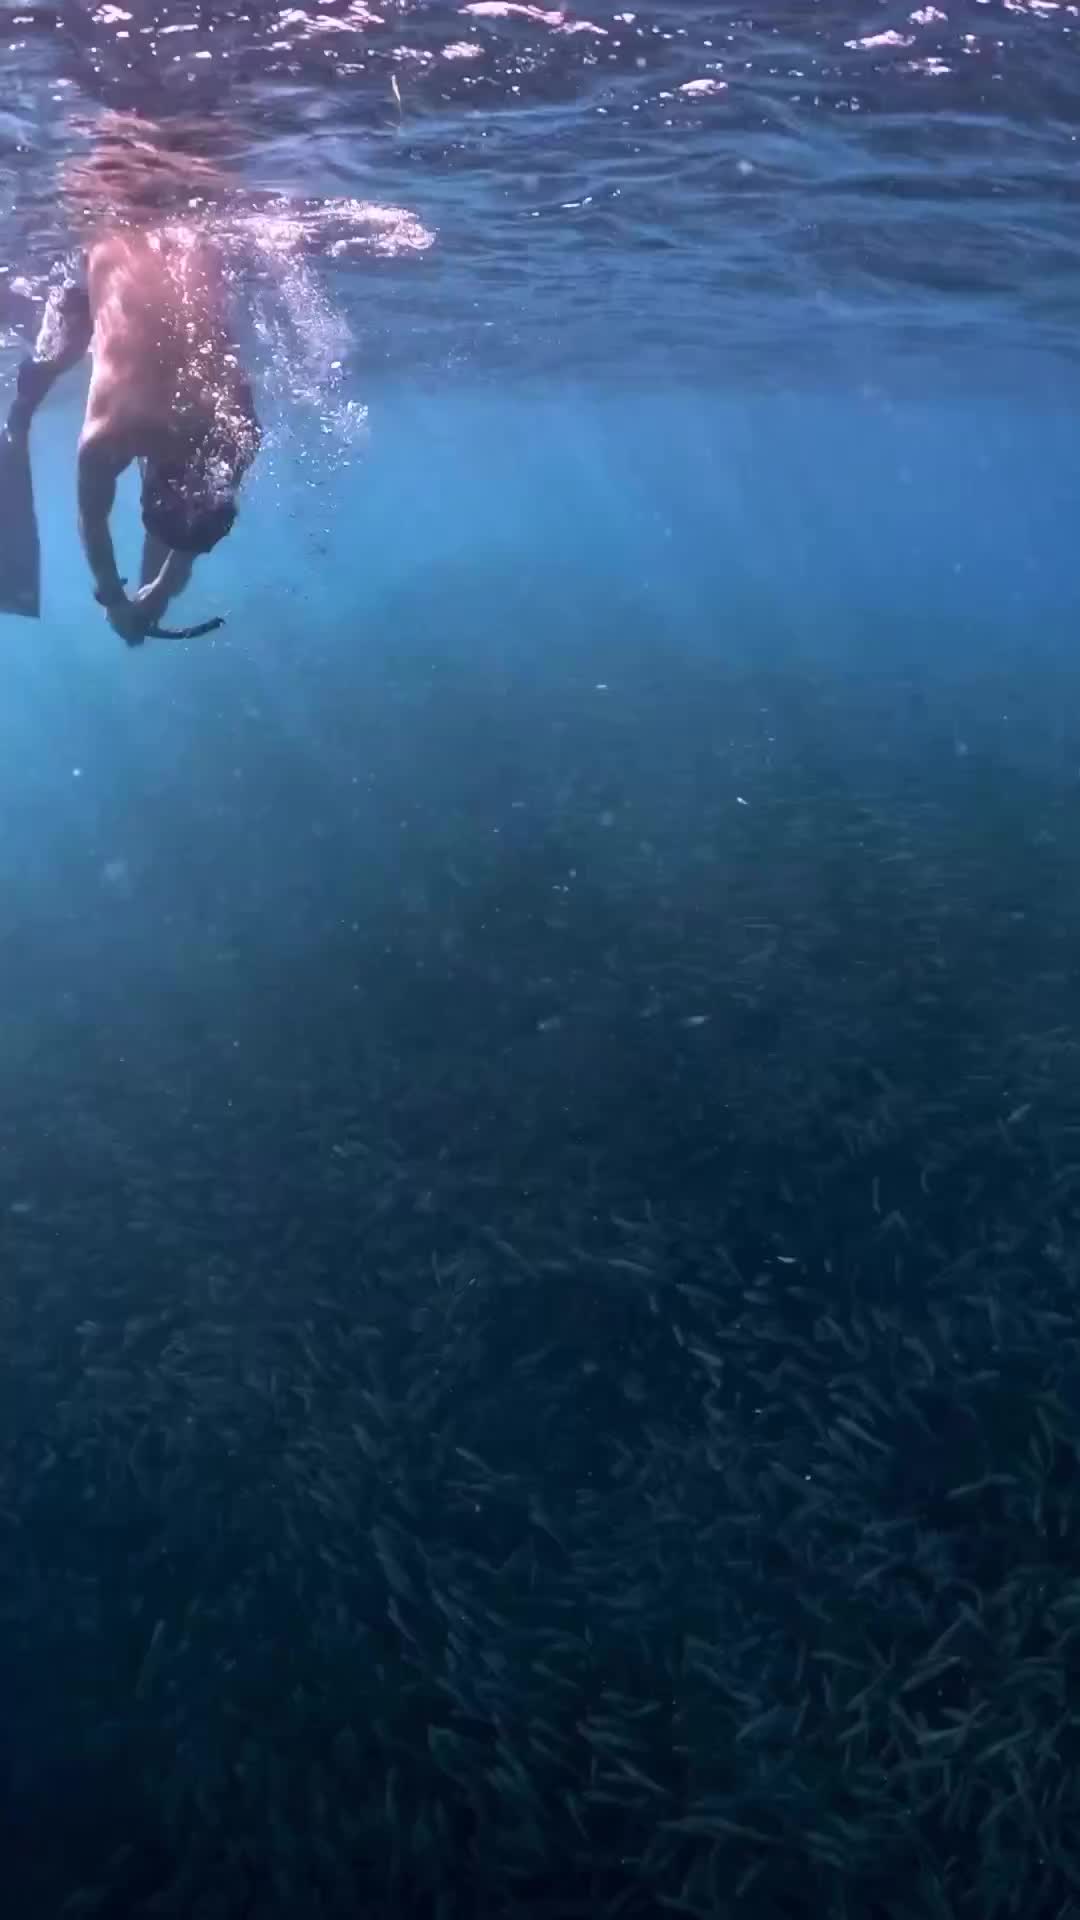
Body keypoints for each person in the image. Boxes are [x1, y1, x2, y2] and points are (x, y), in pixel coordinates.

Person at [6, 221, 259, 645]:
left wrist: (149, 594)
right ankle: (19, 414)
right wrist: (114, 598)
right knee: (56, 356)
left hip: (155, 255)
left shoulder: (229, 432)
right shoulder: (111, 434)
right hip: (105, 256)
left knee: (187, 514)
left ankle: (25, 407)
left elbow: (191, 525)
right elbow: (93, 518)